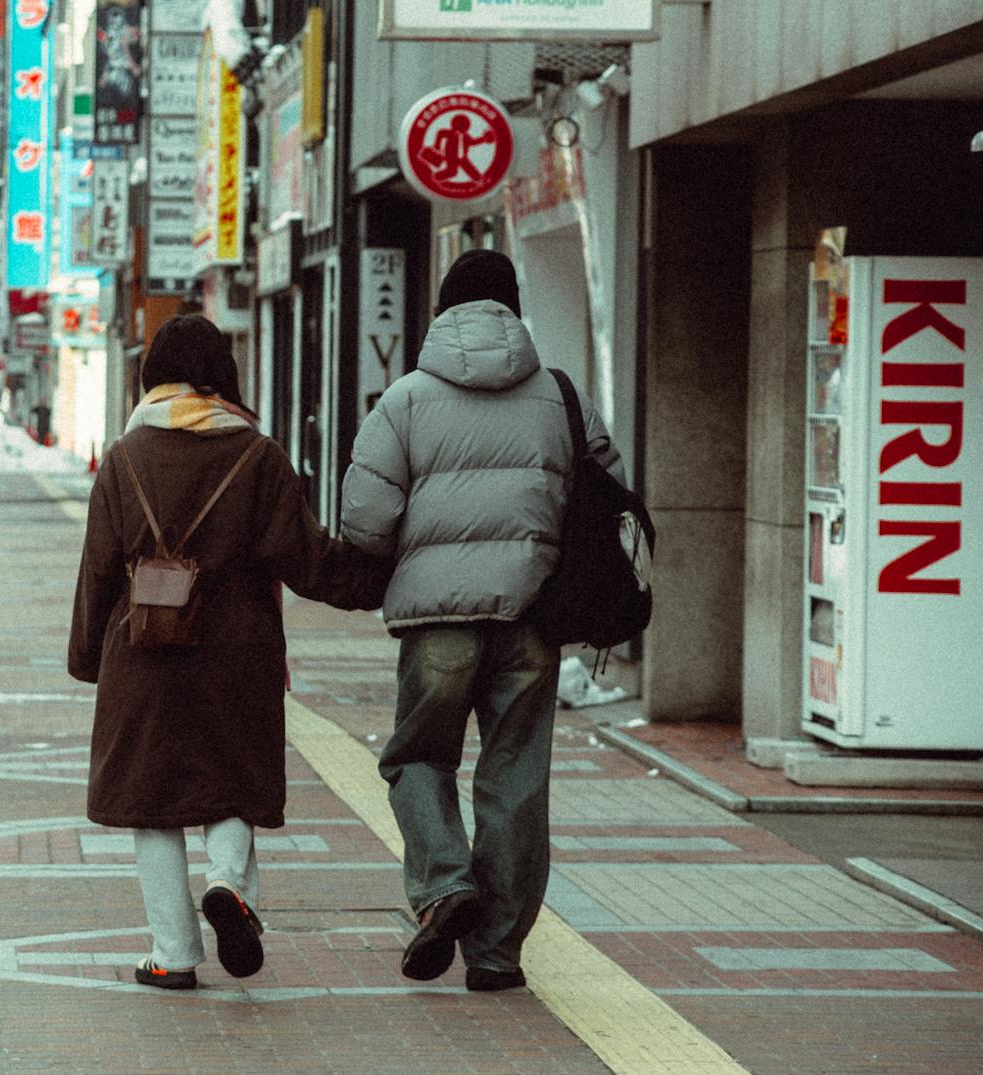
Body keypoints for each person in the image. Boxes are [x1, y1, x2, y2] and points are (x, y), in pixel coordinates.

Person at [70, 315, 386, 991]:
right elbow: (305, 559)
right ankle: (226, 882)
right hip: (237, 651)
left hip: (144, 651)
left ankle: (173, 952)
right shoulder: (258, 455)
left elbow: (98, 565)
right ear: (222, 374)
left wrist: (88, 655)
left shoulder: (123, 457)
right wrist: (377, 580)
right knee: (231, 777)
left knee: (149, 802)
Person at [340, 250, 620, 994]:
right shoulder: (561, 396)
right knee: (515, 780)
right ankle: (496, 954)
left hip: (436, 624)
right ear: (514, 309)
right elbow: (609, 491)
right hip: (532, 616)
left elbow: (364, 519)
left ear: (441, 310)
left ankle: (443, 883)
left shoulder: (403, 399)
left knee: (417, 757)